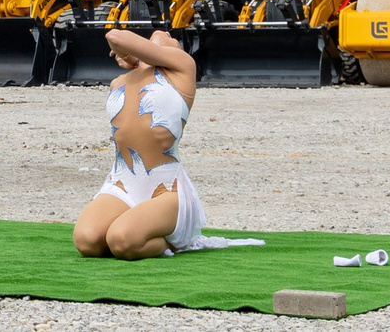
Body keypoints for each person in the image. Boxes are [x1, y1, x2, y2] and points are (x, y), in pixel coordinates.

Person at [73, 27, 263, 259]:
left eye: (172, 38)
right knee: (87, 242)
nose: (167, 34)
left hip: (166, 190)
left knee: (122, 242)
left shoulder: (181, 68)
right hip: (122, 183)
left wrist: (130, 55)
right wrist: (133, 59)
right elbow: (121, 42)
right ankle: (136, 225)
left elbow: (114, 36)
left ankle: (174, 243)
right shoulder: (118, 81)